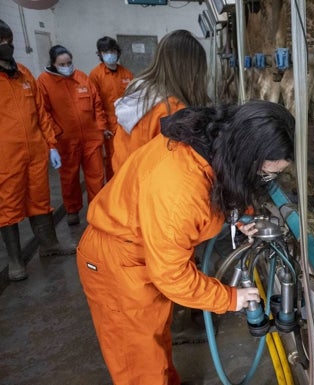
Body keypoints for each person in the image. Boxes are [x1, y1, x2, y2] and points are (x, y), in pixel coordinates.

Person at [76, 100, 295, 384]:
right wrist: (230, 298)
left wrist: (240, 215)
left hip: (146, 253)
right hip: (118, 264)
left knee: (156, 343)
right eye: (265, 174)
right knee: (140, 365)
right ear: (245, 155)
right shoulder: (180, 190)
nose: (265, 180)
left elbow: (221, 182)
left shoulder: (211, 142)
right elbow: (171, 275)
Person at [0, 20, 74, 281]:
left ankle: (49, 245)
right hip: (5, 157)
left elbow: (41, 113)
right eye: (0, 43)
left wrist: (51, 144)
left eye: (7, 41)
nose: (5, 46)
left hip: (35, 151)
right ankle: (15, 260)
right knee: (8, 206)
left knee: (40, 199)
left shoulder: (24, 74)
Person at [112, 29, 211, 172]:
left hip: (125, 181)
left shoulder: (138, 93)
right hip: (149, 187)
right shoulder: (172, 110)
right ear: (190, 71)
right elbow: (179, 167)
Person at [38, 45, 107, 226]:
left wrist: (100, 127)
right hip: (66, 140)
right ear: (53, 64)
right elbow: (43, 113)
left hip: (91, 138)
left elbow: (97, 104)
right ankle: (72, 209)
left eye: (69, 62)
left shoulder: (82, 77)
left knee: (96, 176)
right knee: (69, 177)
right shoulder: (44, 82)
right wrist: (56, 134)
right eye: (62, 64)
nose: (67, 66)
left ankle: (97, 209)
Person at [88, 36, 134, 182]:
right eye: (105, 51)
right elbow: (95, 104)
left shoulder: (127, 74)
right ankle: (113, 189)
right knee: (112, 160)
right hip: (109, 127)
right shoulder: (96, 75)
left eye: (112, 50)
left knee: (128, 157)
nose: (109, 54)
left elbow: (133, 100)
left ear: (117, 52)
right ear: (100, 54)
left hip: (127, 124)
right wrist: (102, 127)